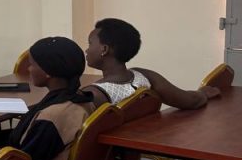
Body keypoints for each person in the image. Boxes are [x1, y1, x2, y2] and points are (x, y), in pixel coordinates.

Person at [0, 37, 92, 160]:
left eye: (32, 65)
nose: (28, 69)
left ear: (48, 72)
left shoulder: (51, 117)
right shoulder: (83, 100)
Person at [80, 18, 219, 108]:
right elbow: (190, 100)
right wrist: (202, 93)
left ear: (104, 49)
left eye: (90, 43)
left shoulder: (92, 94)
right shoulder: (144, 76)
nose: (86, 50)